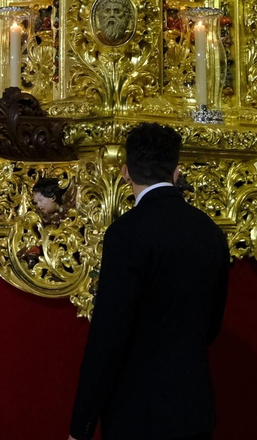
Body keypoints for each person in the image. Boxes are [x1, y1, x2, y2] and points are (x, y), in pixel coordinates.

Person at [69, 124, 230, 440]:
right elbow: (212, 325)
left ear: (126, 173)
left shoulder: (126, 234)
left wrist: (81, 426)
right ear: (177, 171)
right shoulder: (210, 231)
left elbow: (108, 338)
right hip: (194, 413)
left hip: (137, 417)